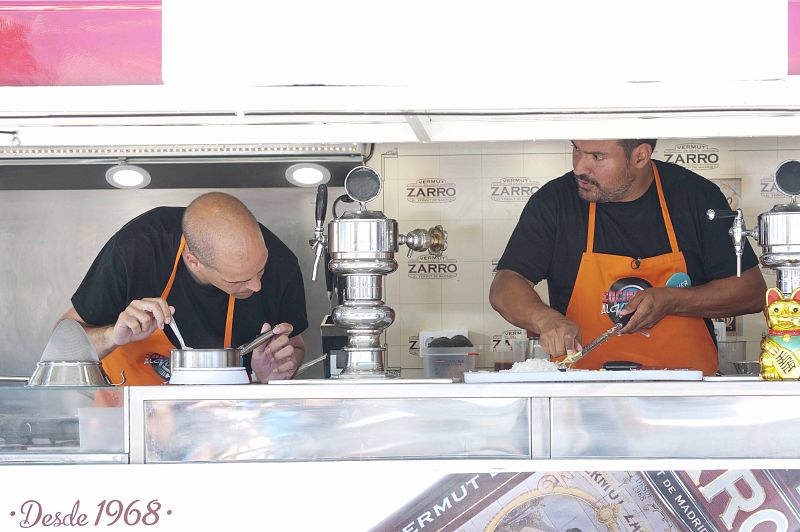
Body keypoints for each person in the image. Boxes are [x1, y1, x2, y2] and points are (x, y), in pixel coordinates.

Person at [489, 139, 766, 375]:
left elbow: (751, 292)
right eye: (576, 150)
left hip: (684, 400)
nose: (579, 168)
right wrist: (545, 320)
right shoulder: (555, 201)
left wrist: (673, 300)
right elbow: (506, 284)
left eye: (598, 156)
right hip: (581, 399)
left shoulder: (696, 196)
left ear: (640, 156)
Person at [57, 192, 308, 385]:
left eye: (261, 270)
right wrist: (113, 335)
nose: (257, 285)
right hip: (124, 423)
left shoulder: (282, 264)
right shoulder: (138, 248)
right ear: (193, 262)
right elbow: (60, 347)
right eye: (237, 280)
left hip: (224, 427)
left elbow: (295, 347)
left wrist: (273, 376)